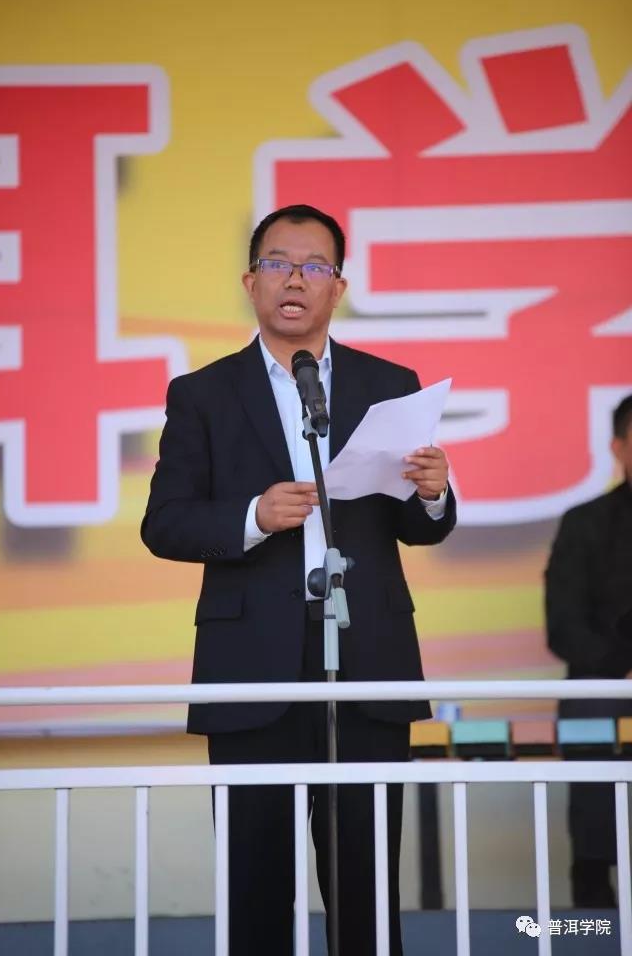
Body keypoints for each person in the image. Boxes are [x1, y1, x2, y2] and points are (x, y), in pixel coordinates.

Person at [141, 204, 456, 956]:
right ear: (250, 282)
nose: (295, 280)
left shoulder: (390, 385)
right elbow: (165, 523)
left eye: (314, 266)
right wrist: (252, 515)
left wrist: (434, 491)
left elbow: (419, 527)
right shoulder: (203, 394)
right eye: (278, 263)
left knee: (364, 889)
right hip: (251, 667)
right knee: (254, 888)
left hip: (368, 660)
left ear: (338, 287)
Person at [545, 393, 632, 908]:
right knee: (596, 834)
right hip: (602, 691)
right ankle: (595, 924)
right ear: (618, 447)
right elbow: (563, 625)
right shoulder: (584, 523)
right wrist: (620, 668)